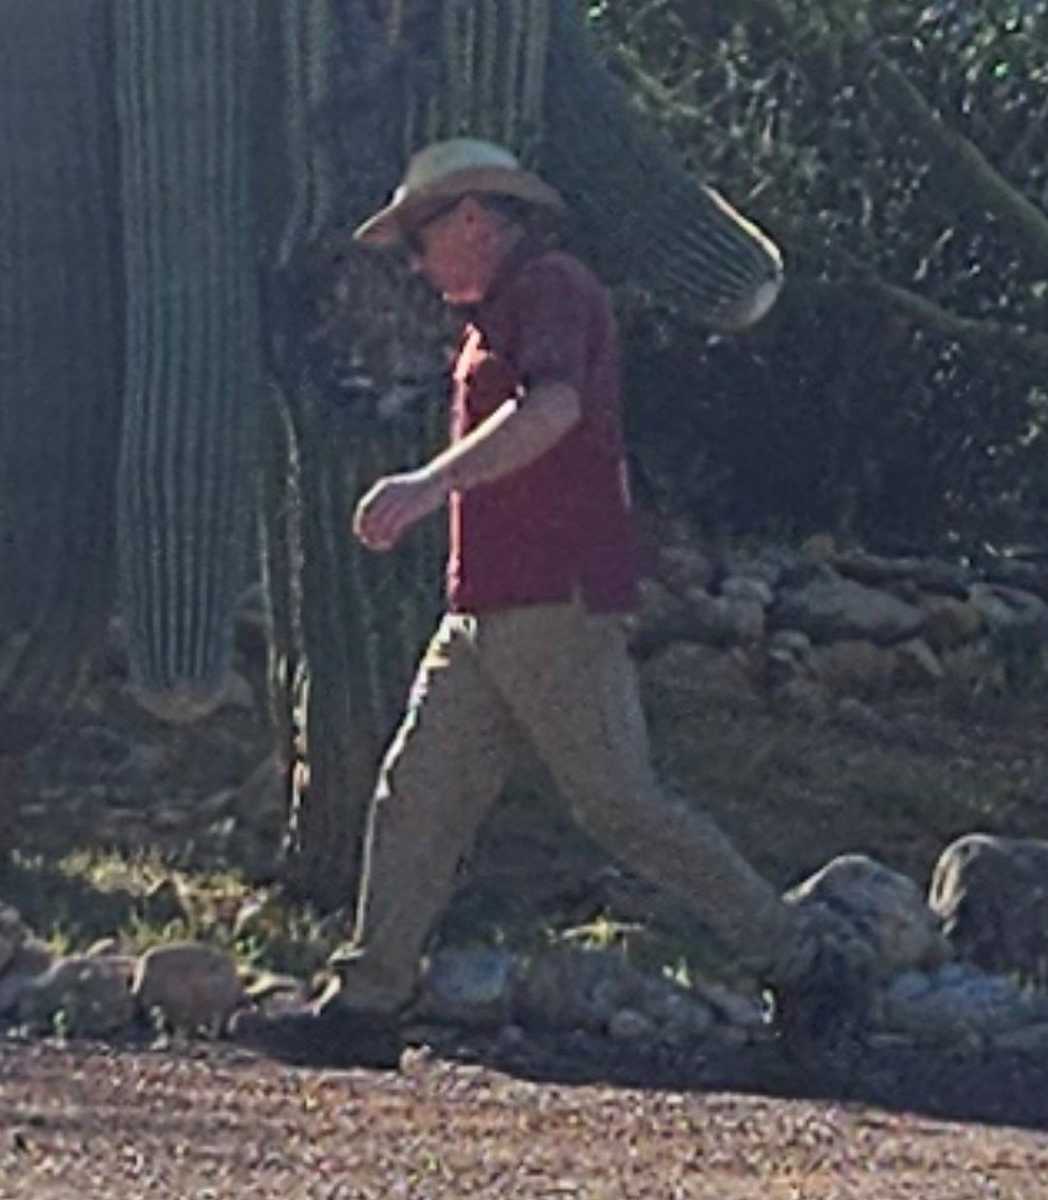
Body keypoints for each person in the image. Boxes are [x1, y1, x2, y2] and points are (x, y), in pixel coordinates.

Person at [232, 139, 872, 1070]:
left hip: (552, 600)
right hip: (486, 607)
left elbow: (555, 409)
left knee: (621, 806)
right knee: (415, 797)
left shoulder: (554, 288)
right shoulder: (503, 309)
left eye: (419, 240)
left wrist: (422, 486)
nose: (414, 264)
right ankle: (364, 1004)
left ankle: (808, 961)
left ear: (474, 220)